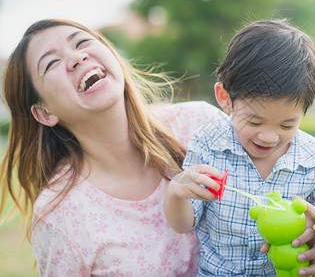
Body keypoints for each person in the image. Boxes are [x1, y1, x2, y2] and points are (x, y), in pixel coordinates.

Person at [0, 18, 223, 276]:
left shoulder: (201, 125)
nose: (76, 58)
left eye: (82, 42)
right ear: (44, 112)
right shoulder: (60, 216)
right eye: (51, 63)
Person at [163, 19, 315, 276]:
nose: (268, 137)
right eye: (254, 121)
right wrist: (176, 193)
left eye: (287, 124)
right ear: (225, 99)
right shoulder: (209, 144)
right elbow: (184, 223)